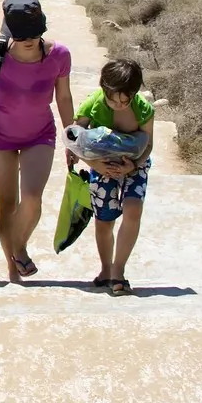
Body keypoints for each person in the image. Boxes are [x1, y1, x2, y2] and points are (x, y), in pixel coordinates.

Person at [0, 0, 74, 281]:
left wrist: (72, 136)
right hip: (0, 136)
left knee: (33, 199)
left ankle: (19, 247)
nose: (29, 41)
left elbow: (63, 97)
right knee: (7, 203)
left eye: (34, 35)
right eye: (22, 36)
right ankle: (13, 271)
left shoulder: (59, 55)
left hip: (40, 134)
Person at [71, 59, 156, 295]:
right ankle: (106, 269)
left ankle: (119, 271)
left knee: (133, 209)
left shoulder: (143, 109)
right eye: (112, 99)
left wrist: (134, 165)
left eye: (124, 99)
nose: (118, 104)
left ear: (134, 93)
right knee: (104, 220)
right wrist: (94, 164)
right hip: (102, 166)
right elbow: (73, 140)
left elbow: (148, 145)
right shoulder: (92, 105)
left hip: (134, 165)